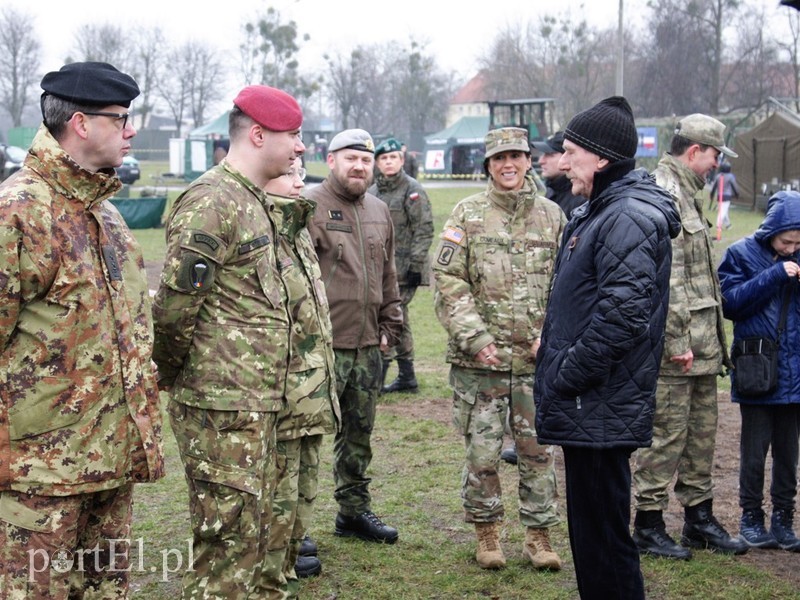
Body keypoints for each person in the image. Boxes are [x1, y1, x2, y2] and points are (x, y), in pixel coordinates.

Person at [0, 61, 165, 598]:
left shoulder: (106, 215)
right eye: (121, 118)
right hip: (37, 477)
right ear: (81, 123)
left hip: (108, 462)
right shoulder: (18, 212)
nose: (131, 129)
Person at [152, 84, 305, 599]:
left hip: (255, 403)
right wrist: (179, 379)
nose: (302, 147)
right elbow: (174, 310)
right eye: (294, 136)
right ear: (259, 135)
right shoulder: (213, 201)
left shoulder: (254, 199)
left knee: (255, 541)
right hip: (221, 407)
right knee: (227, 553)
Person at [534, 96, 681, 599]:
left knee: (604, 542)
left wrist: (566, 374)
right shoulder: (601, 209)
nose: (561, 159)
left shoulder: (628, 216)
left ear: (600, 158)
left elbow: (622, 317)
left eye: (571, 151)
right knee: (593, 538)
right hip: (590, 404)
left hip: (598, 401)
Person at [432, 127, 566, 571]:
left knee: (538, 453)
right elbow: (448, 282)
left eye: (516, 156)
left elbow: (569, 287)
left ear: (529, 160)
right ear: (488, 165)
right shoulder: (466, 214)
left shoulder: (553, 217)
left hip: (534, 363)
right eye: (499, 158)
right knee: (482, 455)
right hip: (480, 366)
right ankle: (487, 534)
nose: (508, 165)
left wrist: (552, 333)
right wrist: (477, 338)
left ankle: (538, 536)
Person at [631, 113, 748, 560]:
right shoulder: (665, 193)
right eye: (715, 155)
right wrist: (677, 340)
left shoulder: (689, 193)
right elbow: (669, 279)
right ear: (695, 150)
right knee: (666, 436)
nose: (716, 164)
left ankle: (699, 519)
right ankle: (649, 523)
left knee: (701, 434)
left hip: (699, 345)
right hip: (676, 349)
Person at [306, 129, 403, 544]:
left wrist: (390, 323)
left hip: (368, 346)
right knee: (305, 440)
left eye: (365, 160)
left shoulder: (380, 210)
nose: (359, 166)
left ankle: (353, 512)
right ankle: (294, 530)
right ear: (331, 161)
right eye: (351, 159)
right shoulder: (307, 206)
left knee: (358, 436)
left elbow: (388, 274)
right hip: (320, 348)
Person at [257, 158, 341, 597]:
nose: (298, 183)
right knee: (276, 493)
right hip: (278, 396)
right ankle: (268, 571)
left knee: (303, 488)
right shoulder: (258, 234)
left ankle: (286, 562)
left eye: (302, 175)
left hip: (310, 392)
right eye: (288, 174)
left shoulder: (297, 230)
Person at [718, 190, 800, 553]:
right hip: (758, 369)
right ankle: (751, 517)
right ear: (771, 232)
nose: (792, 248)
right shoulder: (740, 253)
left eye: (798, 242)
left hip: (795, 372)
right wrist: (775, 274)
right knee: (754, 451)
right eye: (786, 241)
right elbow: (731, 304)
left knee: (788, 453)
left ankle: (784, 519)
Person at [368, 137, 434, 394]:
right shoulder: (372, 191)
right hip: (380, 270)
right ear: (377, 162)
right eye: (384, 158)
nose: (389, 162)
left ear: (401, 160)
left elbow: (424, 228)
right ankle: (407, 376)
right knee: (400, 320)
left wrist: (416, 264)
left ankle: (381, 373)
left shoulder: (411, 189)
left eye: (393, 157)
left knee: (390, 318)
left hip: (406, 271)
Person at [532, 130, 585, 218]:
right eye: (543, 154)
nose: (541, 161)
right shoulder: (552, 190)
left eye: (549, 155)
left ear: (567, 156)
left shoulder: (581, 198)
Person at [709, 162, 740, 230]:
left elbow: (714, 187)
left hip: (719, 196)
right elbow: (734, 186)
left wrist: (711, 194)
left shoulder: (718, 176)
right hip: (727, 196)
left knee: (724, 210)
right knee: (723, 211)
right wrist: (737, 194)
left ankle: (728, 225)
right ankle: (718, 225)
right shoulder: (730, 176)